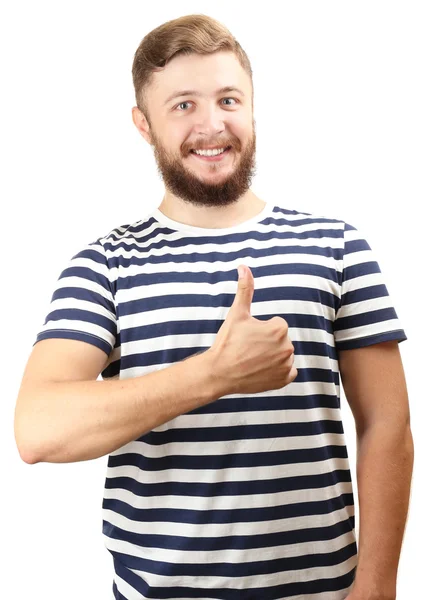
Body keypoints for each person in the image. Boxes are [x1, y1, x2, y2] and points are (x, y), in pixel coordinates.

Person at [14, 13, 413, 600]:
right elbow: (37, 430)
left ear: (252, 109)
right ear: (143, 125)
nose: (212, 124)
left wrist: (377, 587)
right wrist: (213, 374)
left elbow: (388, 423)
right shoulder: (104, 265)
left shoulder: (336, 245)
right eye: (183, 105)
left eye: (229, 99)